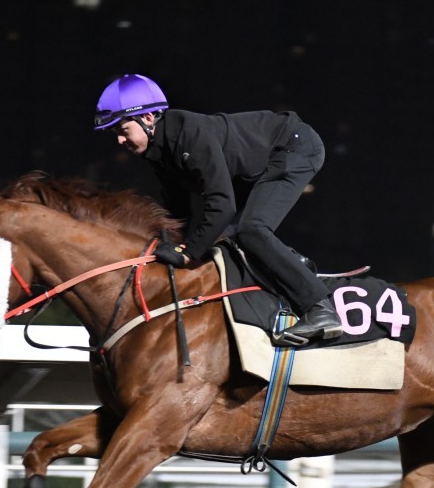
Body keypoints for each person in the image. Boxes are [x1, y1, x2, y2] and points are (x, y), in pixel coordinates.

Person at [93, 73, 342, 346]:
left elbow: (222, 205)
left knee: (250, 229)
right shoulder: (160, 152)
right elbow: (178, 211)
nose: (119, 140)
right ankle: (292, 265)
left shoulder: (189, 134)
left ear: (148, 119)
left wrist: (187, 253)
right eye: (114, 133)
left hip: (294, 146)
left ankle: (320, 308)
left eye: (122, 130)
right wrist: (162, 247)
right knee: (228, 237)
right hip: (260, 165)